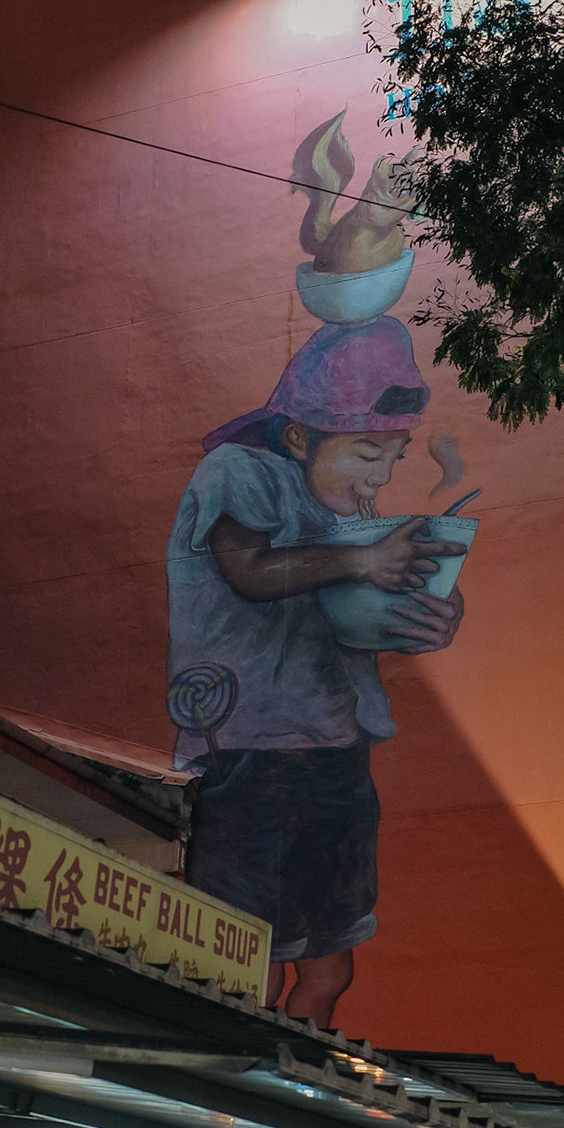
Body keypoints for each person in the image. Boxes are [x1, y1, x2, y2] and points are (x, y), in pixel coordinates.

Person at [165, 316, 467, 1025]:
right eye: (367, 452)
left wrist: (432, 614)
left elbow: (354, 618)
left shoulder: (346, 512)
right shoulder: (239, 471)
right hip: (248, 754)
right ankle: (230, 1080)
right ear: (300, 437)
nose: (381, 476)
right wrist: (364, 561)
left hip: (338, 754)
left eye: (394, 456)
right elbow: (249, 571)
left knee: (331, 964)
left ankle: (296, 1076)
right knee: (251, 960)